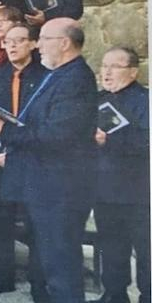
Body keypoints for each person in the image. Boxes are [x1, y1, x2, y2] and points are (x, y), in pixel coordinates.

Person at [0, 17, 98, 303]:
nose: (39, 45)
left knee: (61, 267)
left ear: (64, 43)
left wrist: (3, 131)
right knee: (53, 265)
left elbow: (56, 136)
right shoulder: (58, 74)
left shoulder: (75, 79)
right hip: (45, 185)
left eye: (43, 39)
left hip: (60, 189)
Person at [0, 24, 48, 296]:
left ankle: (38, 283)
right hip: (1, 161)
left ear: (33, 44)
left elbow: (43, 125)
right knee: (1, 221)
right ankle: (1, 276)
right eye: (8, 41)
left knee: (35, 224)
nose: (13, 45)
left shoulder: (45, 77)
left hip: (32, 161)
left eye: (20, 40)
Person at [89, 47, 149, 303]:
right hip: (103, 187)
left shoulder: (144, 101)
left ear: (133, 72)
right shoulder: (97, 99)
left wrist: (110, 142)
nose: (107, 72)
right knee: (111, 246)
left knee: (145, 250)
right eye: (104, 66)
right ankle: (114, 294)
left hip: (138, 190)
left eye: (115, 67)